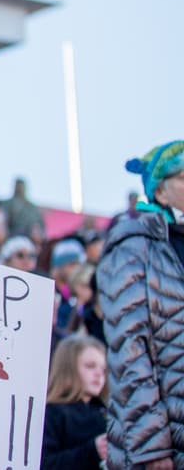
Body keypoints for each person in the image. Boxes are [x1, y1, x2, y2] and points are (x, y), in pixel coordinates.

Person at [97, 140, 184, 470]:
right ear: (159, 192)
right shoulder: (133, 248)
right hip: (163, 449)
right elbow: (129, 353)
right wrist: (151, 451)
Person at [41, 334, 108, 470]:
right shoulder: (51, 413)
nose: (99, 374)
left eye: (103, 369)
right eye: (90, 366)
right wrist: (93, 451)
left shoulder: (105, 412)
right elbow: (45, 464)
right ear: (67, 368)